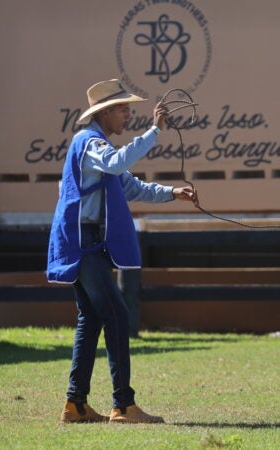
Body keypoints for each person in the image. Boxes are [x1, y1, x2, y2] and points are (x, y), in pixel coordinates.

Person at [47, 79, 196, 423]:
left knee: (92, 318)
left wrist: (172, 192)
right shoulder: (91, 143)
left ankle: (76, 405)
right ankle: (123, 405)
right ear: (105, 113)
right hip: (85, 243)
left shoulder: (96, 148)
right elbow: (117, 165)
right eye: (123, 109)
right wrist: (154, 132)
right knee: (116, 314)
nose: (129, 115)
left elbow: (130, 186)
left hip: (84, 242)